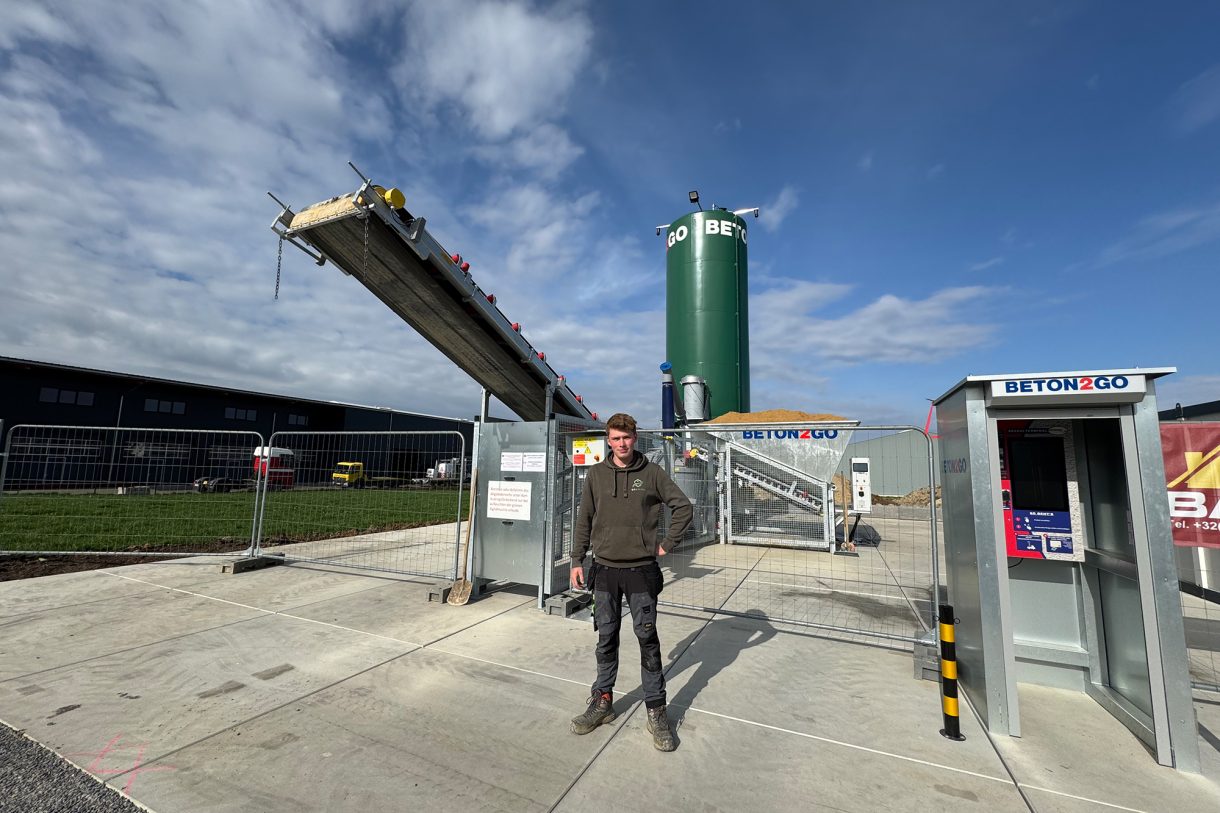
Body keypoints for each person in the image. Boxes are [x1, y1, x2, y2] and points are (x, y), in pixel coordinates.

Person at [568, 412, 692, 751]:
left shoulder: (651, 473)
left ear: (635, 438)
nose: (622, 444)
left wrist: (666, 544)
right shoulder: (595, 474)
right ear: (608, 440)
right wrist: (577, 560)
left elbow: (683, 506)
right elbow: (584, 519)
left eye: (627, 438)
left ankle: (657, 710)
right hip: (604, 570)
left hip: (641, 572)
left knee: (647, 640)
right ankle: (602, 701)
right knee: (605, 638)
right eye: (616, 438)